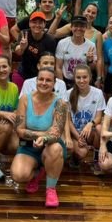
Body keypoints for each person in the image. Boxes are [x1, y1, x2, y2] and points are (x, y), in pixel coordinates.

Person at [11, 67, 70, 207]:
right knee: (18, 175)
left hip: (51, 145)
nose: (44, 83)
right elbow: (19, 130)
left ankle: (51, 189)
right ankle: (39, 171)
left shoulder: (60, 103)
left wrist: (44, 139)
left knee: (55, 148)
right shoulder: (25, 99)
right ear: (36, 81)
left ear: (54, 83)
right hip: (28, 146)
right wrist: (42, 134)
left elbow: (56, 133)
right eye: (41, 79)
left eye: (48, 80)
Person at [66, 65, 105, 168]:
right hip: (75, 132)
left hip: (90, 132)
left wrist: (90, 124)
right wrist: (78, 137)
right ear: (74, 78)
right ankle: (74, 157)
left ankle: (96, 157)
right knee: (81, 153)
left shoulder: (98, 93)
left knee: (99, 127)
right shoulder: (68, 94)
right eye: (78, 77)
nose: (82, 80)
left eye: (85, 77)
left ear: (90, 77)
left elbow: (98, 117)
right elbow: (68, 120)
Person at [11, 11, 57, 89]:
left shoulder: (50, 41)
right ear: (29, 24)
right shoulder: (24, 34)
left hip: (41, 75)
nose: (37, 25)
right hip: (24, 72)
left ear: (44, 24)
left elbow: (51, 61)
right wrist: (22, 47)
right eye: (34, 22)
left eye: (40, 23)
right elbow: (18, 52)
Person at [55, 15, 97, 88]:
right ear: (71, 27)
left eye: (82, 26)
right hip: (66, 80)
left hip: (83, 82)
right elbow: (58, 67)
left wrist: (90, 60)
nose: (78, 28)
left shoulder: (91, 45)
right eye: (76, 26)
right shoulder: (62, 43)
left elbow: (92, 68)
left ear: (85, 28)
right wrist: (62, 86)